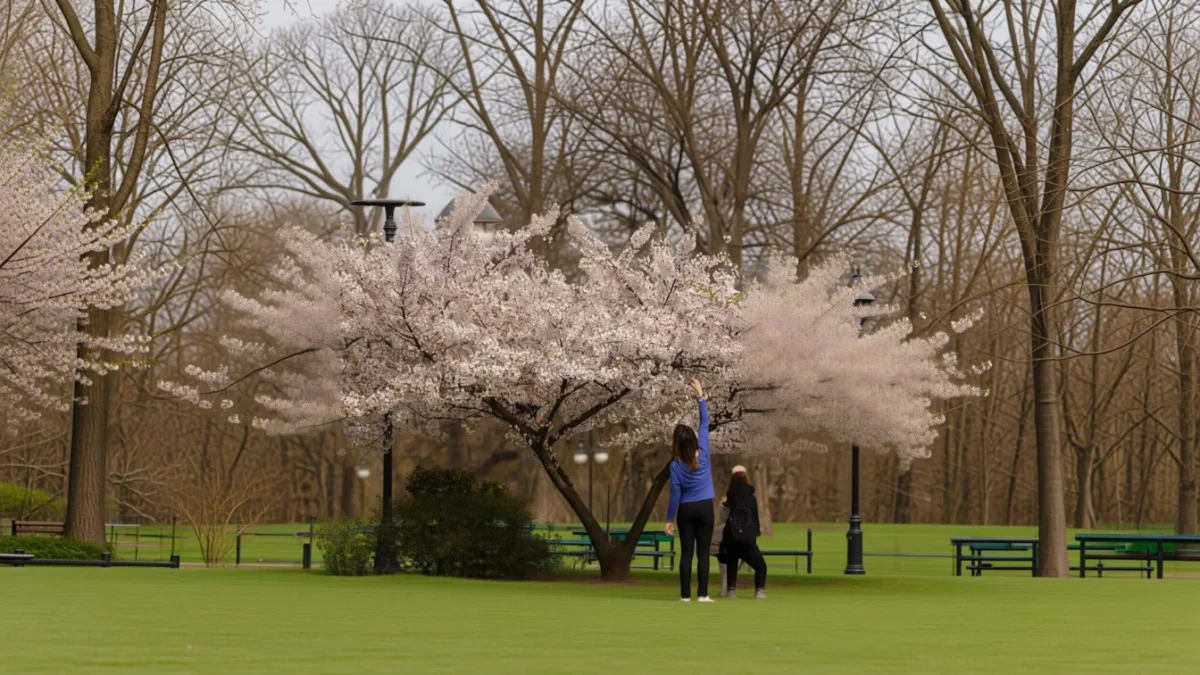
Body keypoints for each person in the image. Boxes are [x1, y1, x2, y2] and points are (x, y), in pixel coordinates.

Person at [665, 378, 715, 602]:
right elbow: (704, 423)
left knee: (686, 554)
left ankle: (685, 595)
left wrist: (669, 519)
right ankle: (703, 595)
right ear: (694, 441)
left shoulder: (675, 466)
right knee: (703, 553)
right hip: (705, 507)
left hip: (686, 510)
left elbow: (675, 494)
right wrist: (700, 395)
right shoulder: (703, 453)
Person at [720, 466, 767, 599]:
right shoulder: (751, 498)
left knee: (732, 564)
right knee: (760, 566)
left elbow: (722, 518)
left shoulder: (728, 498)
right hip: (747, 539)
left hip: (731, 537)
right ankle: (759, 591)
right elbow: (755, 519)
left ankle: (731, 590)